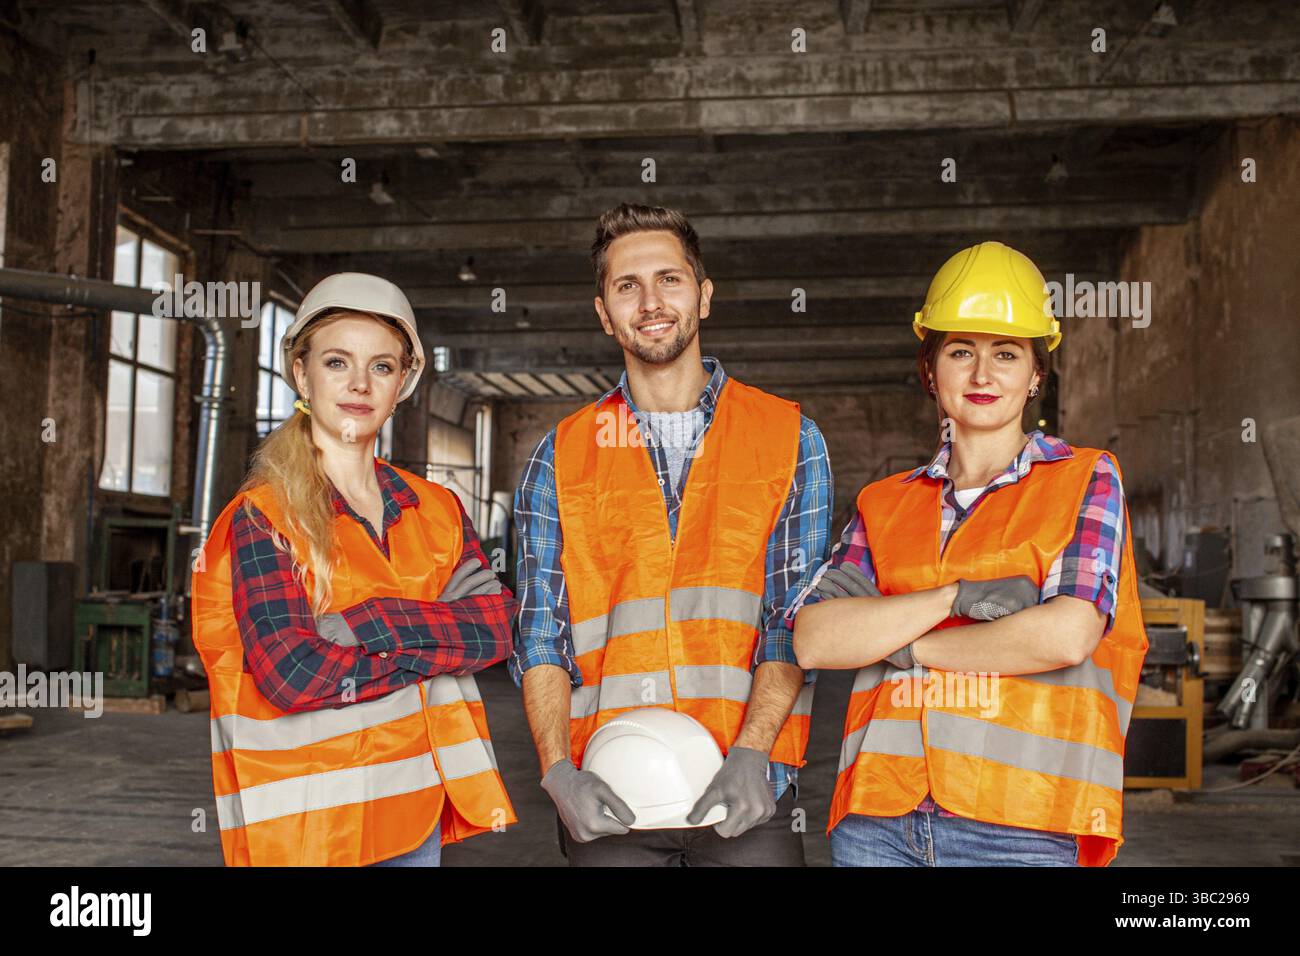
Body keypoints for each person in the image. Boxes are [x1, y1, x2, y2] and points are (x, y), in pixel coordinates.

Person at [790, 241, 1147, 867]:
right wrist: (954, 600)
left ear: (1037, 373)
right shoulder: (884, 502)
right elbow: (818, 640)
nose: (983, 375)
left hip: (1022, 824)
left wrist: (900, 642)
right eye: (961, 352)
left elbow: (1065, 635)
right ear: (931, 371)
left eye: (1006, 354)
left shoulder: (1086, 479)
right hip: (878, 818)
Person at [510, 203, 833, 866]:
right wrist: (555, 771)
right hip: (609, 786)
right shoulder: (560, 455)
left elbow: (790, 620)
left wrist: (753, 751)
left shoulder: (789, 439)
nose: (651, 301)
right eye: (627, 286)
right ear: (604, 313)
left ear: (704, 296)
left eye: (670, 280)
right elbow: (542, 633)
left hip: (746, 784)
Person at [191, 272, 517, 867]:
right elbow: (290, 673)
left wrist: (366, 623)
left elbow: (495, 629)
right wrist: (437, 623)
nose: (360, 384)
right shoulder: (264, 517)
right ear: (301, 373)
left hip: (413, 810)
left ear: (403, 383)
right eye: (337, 362)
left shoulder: (437, 508)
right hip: (309, 824)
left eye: (382, 367)